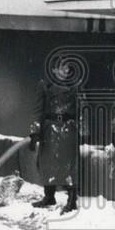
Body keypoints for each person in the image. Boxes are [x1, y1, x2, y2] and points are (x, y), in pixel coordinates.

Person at [29, 58, 80, 214]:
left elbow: (82, 109)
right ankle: (49, 197)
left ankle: (72, 200)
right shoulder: (45, 85)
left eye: (67, 68)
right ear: (54, 70)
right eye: (62, 68)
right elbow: (37, 110)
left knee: (69, 165)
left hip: (68, 129)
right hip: (49, 129)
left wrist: (83, 132)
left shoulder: (75, 86)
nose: (66, 71)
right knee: (47, 163)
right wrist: (34, 132)